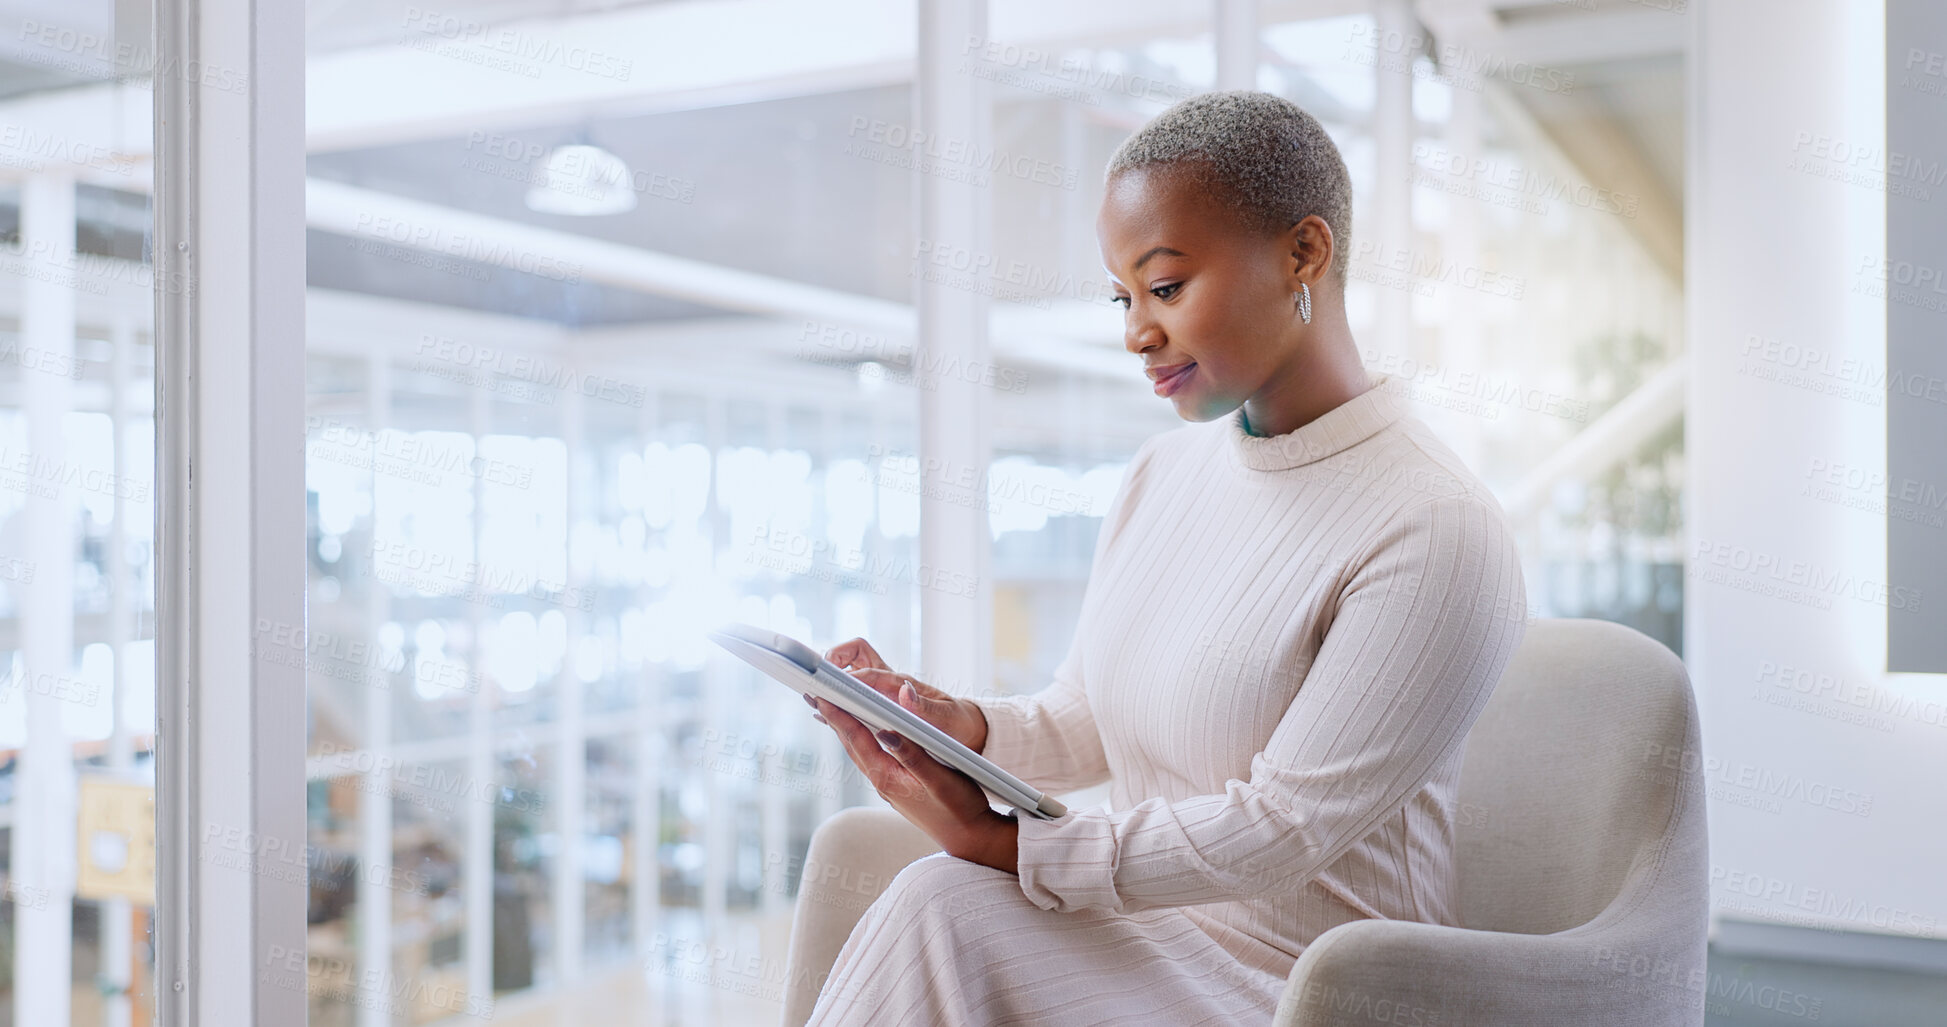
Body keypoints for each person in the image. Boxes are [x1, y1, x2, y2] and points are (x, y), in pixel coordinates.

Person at [802, 89, 1529, 1025]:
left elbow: (1283, 829)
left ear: (1304, 252)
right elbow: (1088, 720)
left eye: (1167, 286)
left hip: (1320, 985)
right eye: (1123, 294)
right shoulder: (1161, 473)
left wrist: (1007, 846)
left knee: (944, 902)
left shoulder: (1432, 523)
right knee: (937, 904)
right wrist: (959, 726)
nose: (1136, 330)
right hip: (1156, 933)